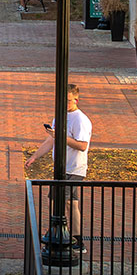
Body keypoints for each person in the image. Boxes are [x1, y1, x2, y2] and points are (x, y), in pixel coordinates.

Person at [24, 83, 92, 237]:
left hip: (75, 168)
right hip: (61, 168)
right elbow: (50, 141)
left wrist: (60, 137)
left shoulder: (80, 120)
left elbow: (82, 146)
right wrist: (34, 156)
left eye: (68, 100)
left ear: (76, 100)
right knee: (71, 202)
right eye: (62, 100)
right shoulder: (59, 116)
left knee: (55, 201)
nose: (65, 104)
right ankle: (75, 238)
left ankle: (59, 233)